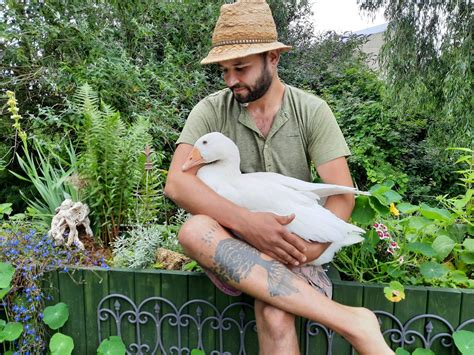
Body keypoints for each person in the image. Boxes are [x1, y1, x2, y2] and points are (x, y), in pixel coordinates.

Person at [164, 1, 394, 354]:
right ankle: (351, 321)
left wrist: (309, 251)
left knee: (274, 312)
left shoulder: (311, 111)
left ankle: (355, 320)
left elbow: (343, 196)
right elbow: (177, 183)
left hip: (293, 249)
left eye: (240, 68)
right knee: (193, 230)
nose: (231, 80)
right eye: (224, 70)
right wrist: (250, 224)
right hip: (231, 247)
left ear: (273, 58)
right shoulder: (210, 110)